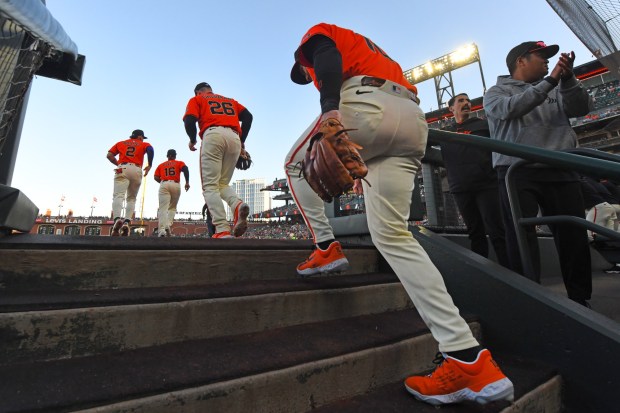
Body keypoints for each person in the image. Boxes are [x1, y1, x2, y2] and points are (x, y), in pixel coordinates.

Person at [285, 23, 513, 406]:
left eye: (301, 72)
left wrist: (329, 111)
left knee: (294, 165)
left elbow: (325, 59)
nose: (304, 75)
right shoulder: (371, 49)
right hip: (411, 118)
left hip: (366, 102)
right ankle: (468, 359)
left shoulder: (321, 34)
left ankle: (326, 246)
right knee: (393, 236)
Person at [483, 41, 594, 306]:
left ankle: (580, 299)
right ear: (521, 61)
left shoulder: (558, 85)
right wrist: (551, 81)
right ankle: (528, 300)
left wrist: (568, 80)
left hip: (559, 166)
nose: (547, 62)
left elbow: (581, 108)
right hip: (515, 171)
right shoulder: (495, 92)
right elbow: (511, 109)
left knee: (573, 237)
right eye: (541, 56)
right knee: (521, 238)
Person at [440, 93, 509, 267]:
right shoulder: (444, 132)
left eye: (468, 100)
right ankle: (482, 274)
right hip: (460, 187)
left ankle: (512, 275)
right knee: (475, 233)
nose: (466, 103)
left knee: (497, 231)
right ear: (451, 108)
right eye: (461, 101)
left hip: (486, 185)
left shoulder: (483, 125)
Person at [183, 82, 252, 239]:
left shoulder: (197, 99)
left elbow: (189, 120)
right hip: (234, 137)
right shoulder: (230, 100)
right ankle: (238, 205)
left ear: (197, 92)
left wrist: (193, 139)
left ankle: (222, 229)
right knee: (222, 184)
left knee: (210, 186)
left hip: (213, 134)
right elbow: (248, 117)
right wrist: (241, 141)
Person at [106, 129, 153, 236]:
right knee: (131, 198)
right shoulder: (144, 143)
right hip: (136, 169)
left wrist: (118, 163)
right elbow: (150, 150)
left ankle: (117, 219)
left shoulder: (121, 143)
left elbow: (109, 155)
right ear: (140, 137)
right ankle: (127, 222)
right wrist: (150, 164)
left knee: (118, 196)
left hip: (122, 167)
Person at [153, 149, 190, 237]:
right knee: (172, 208)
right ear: (175, 156)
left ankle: (161, 230)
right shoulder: (179, 162)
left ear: (167, 156)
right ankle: (168, 224)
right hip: (175, 184)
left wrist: (163, 183)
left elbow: (155, 177)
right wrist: (187, 182)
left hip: (164, 183)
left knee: (163, 208)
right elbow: (185, 169)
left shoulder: (161, 165)